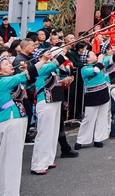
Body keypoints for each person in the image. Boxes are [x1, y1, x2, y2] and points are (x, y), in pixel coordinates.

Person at [0, 49, 54, 196]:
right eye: (6, 64)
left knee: (11, 158)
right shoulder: (3, 82)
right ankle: (8, 192)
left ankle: (1, 191)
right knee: (11, 159)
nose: (10, 64)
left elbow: (28, 81)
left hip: (17, 119)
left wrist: (29, 71)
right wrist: (42, 61)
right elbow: (24, 76)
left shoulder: (9, 80)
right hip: (12, 120)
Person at [30, 46, 73, 174]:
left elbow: (57, 76)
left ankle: (48, 159)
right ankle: (38, 164)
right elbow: (55, 63)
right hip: (46, 101)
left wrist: (64, 80)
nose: (49, 57)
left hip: (55, 100)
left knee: (53, 132)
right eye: (47, 55)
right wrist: (61, 53)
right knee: (44, 133)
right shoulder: (41, 68)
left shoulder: (53, 69)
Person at [74, 51, 111, 150]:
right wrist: (99, 60)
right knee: (89, 118)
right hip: (92, 95)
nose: (95, 56)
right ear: (87, 59)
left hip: (103, 92)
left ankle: (98, 138)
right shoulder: (84, 69)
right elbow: (96, 70)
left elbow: (110, 63)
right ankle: (81, 140)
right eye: (93, 55)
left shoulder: (98, 64)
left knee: (102, 117)